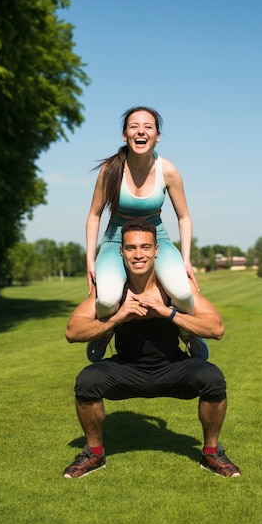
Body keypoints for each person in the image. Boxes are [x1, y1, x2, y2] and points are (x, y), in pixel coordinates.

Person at [63, 218, 241, 479]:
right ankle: (94, 453)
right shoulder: (111, 289)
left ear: (157, 249)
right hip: (127, 368)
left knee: (212, 378)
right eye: (131, 248)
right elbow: (72, 330)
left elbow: (216, 328)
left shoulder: (175, 287)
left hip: (172, 367)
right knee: (87, 381)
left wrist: (168, 314)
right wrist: (118, 318)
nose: (138, 254)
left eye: (145, 247)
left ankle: (212, 453)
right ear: (121, 251)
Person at [86, 105, 208, 362]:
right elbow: (94, 215)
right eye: (134, 126)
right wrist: (90, 258)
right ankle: (105, 332)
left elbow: (184, 216)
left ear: (157, 135)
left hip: (157, 241)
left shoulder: (168, 170)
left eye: (148, 127)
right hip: (116, 241)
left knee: (183, 293)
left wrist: (186, 258)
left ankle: (187, 334)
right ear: (124, 135)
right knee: (106, 300)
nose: (141, 131)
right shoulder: (110, 171)